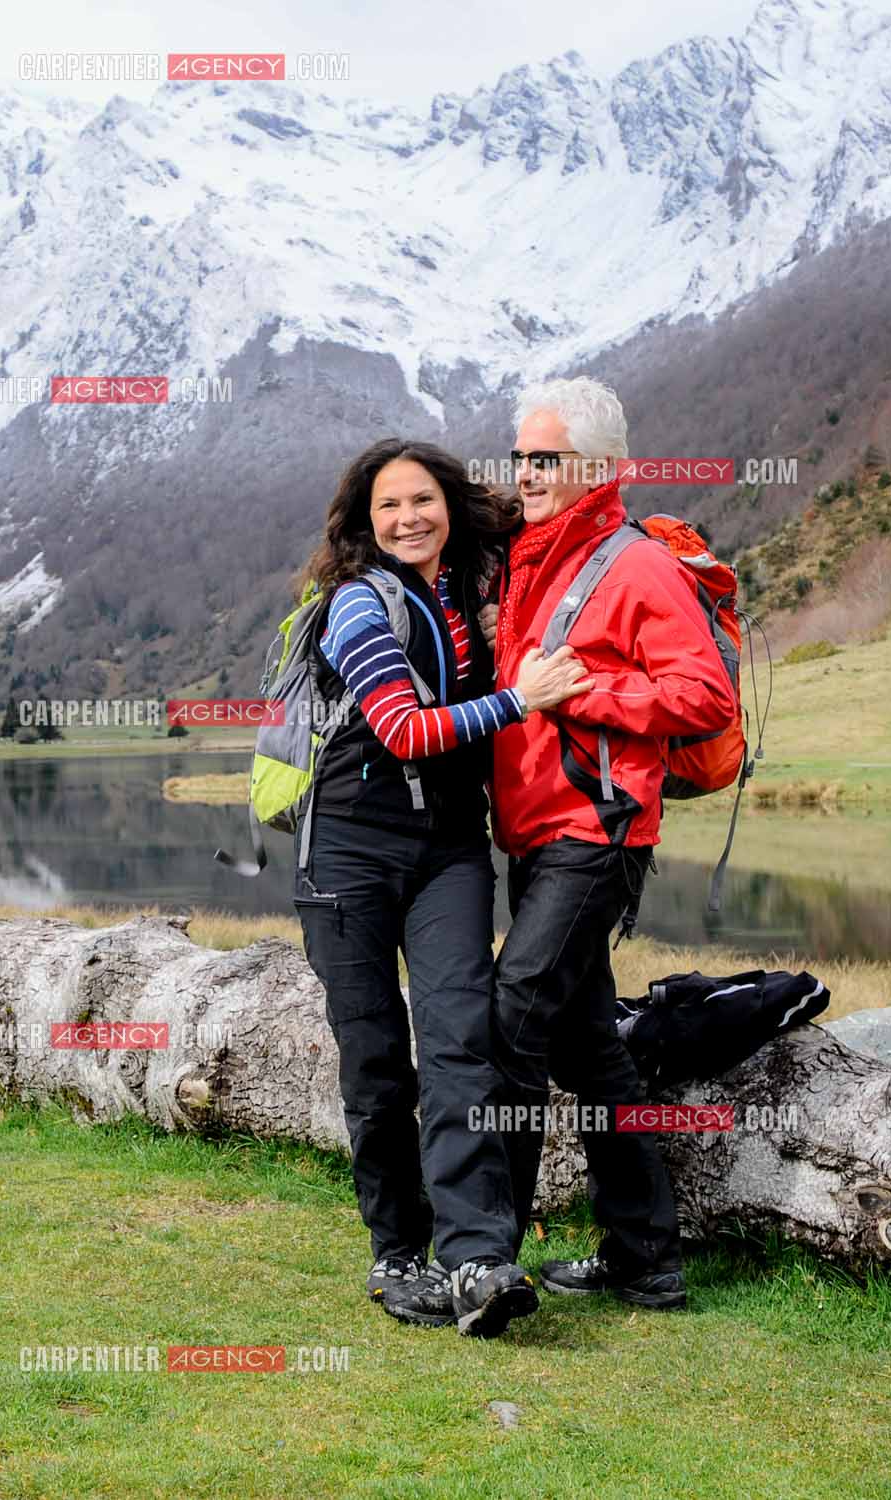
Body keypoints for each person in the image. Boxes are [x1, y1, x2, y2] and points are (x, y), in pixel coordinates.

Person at [445, 377, 739, 1338]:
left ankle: (487, 1255)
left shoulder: (637, 566)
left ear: (601, 470)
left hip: (597, 834)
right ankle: (646, 1258)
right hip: (536, 838)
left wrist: (586, 697)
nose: (526, 473)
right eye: (521, 456)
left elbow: (703, 701)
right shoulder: (532, 557)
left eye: (546, 459)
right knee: (592, 1052)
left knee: (512, 1014)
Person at [293, 438, 580, 1327]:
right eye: (389, 506)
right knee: (376, 1061)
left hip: (449, 851)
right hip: (348, 851)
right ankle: (395, 1256)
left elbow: (551, 512)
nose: (409, 517)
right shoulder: (353, 606)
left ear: (448, 506)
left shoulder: (468, 590)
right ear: (363, 523)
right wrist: (519, 701)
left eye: (424, 499)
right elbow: (406, 731)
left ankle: (479, 1261)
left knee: (460, 1040)